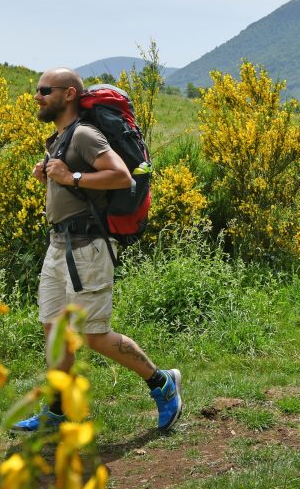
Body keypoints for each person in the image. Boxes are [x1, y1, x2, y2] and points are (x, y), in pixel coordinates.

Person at [13, 68, 183, 432]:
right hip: (58, 246)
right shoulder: (60, 138)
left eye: (45, 90)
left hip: (88, 248)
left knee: (92, 334)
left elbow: (121, 175)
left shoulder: (86, 135)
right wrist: (53, 173)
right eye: (37, 90)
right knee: (54, 329)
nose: (37, 96)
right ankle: (58, 413)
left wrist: (71, 177)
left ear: (69, 94)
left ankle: (163, 384)